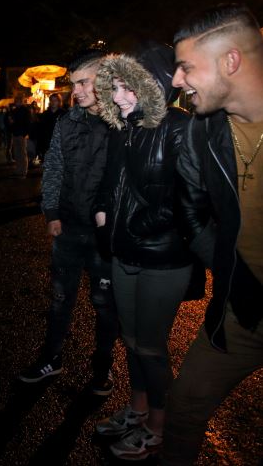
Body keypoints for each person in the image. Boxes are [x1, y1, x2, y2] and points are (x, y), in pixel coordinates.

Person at [163, 3, 263, 465]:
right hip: (241, 313)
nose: (176, 80)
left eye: (186, 66)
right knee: (184, 405)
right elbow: (191, 212)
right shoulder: (201, 133)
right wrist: (230, 272)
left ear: (231, 60)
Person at [93, 43, 192, 461]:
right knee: (131, 340)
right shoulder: (124, 128)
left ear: (154, 84)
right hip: (124, 253)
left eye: (125, 87)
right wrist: (101, 211)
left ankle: (157, 426)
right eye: (114, 88)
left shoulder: (180, 127)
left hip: (162, 258)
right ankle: (137, 409)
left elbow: (187, 202)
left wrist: (133, 226)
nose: (117, 98)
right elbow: (109, 182)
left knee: (151, 346)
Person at [18, 50, 117, 400]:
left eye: (84, 82)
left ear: (105, 78)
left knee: (105, 304)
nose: (76, 91)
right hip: (69, 229)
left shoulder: (123, 123)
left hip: (107, 237)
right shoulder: (67, 122)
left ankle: (102, 368)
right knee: (60, 299)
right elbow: (54, 168)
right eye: (74, 84)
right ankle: (51, 358)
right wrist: (51, 212)